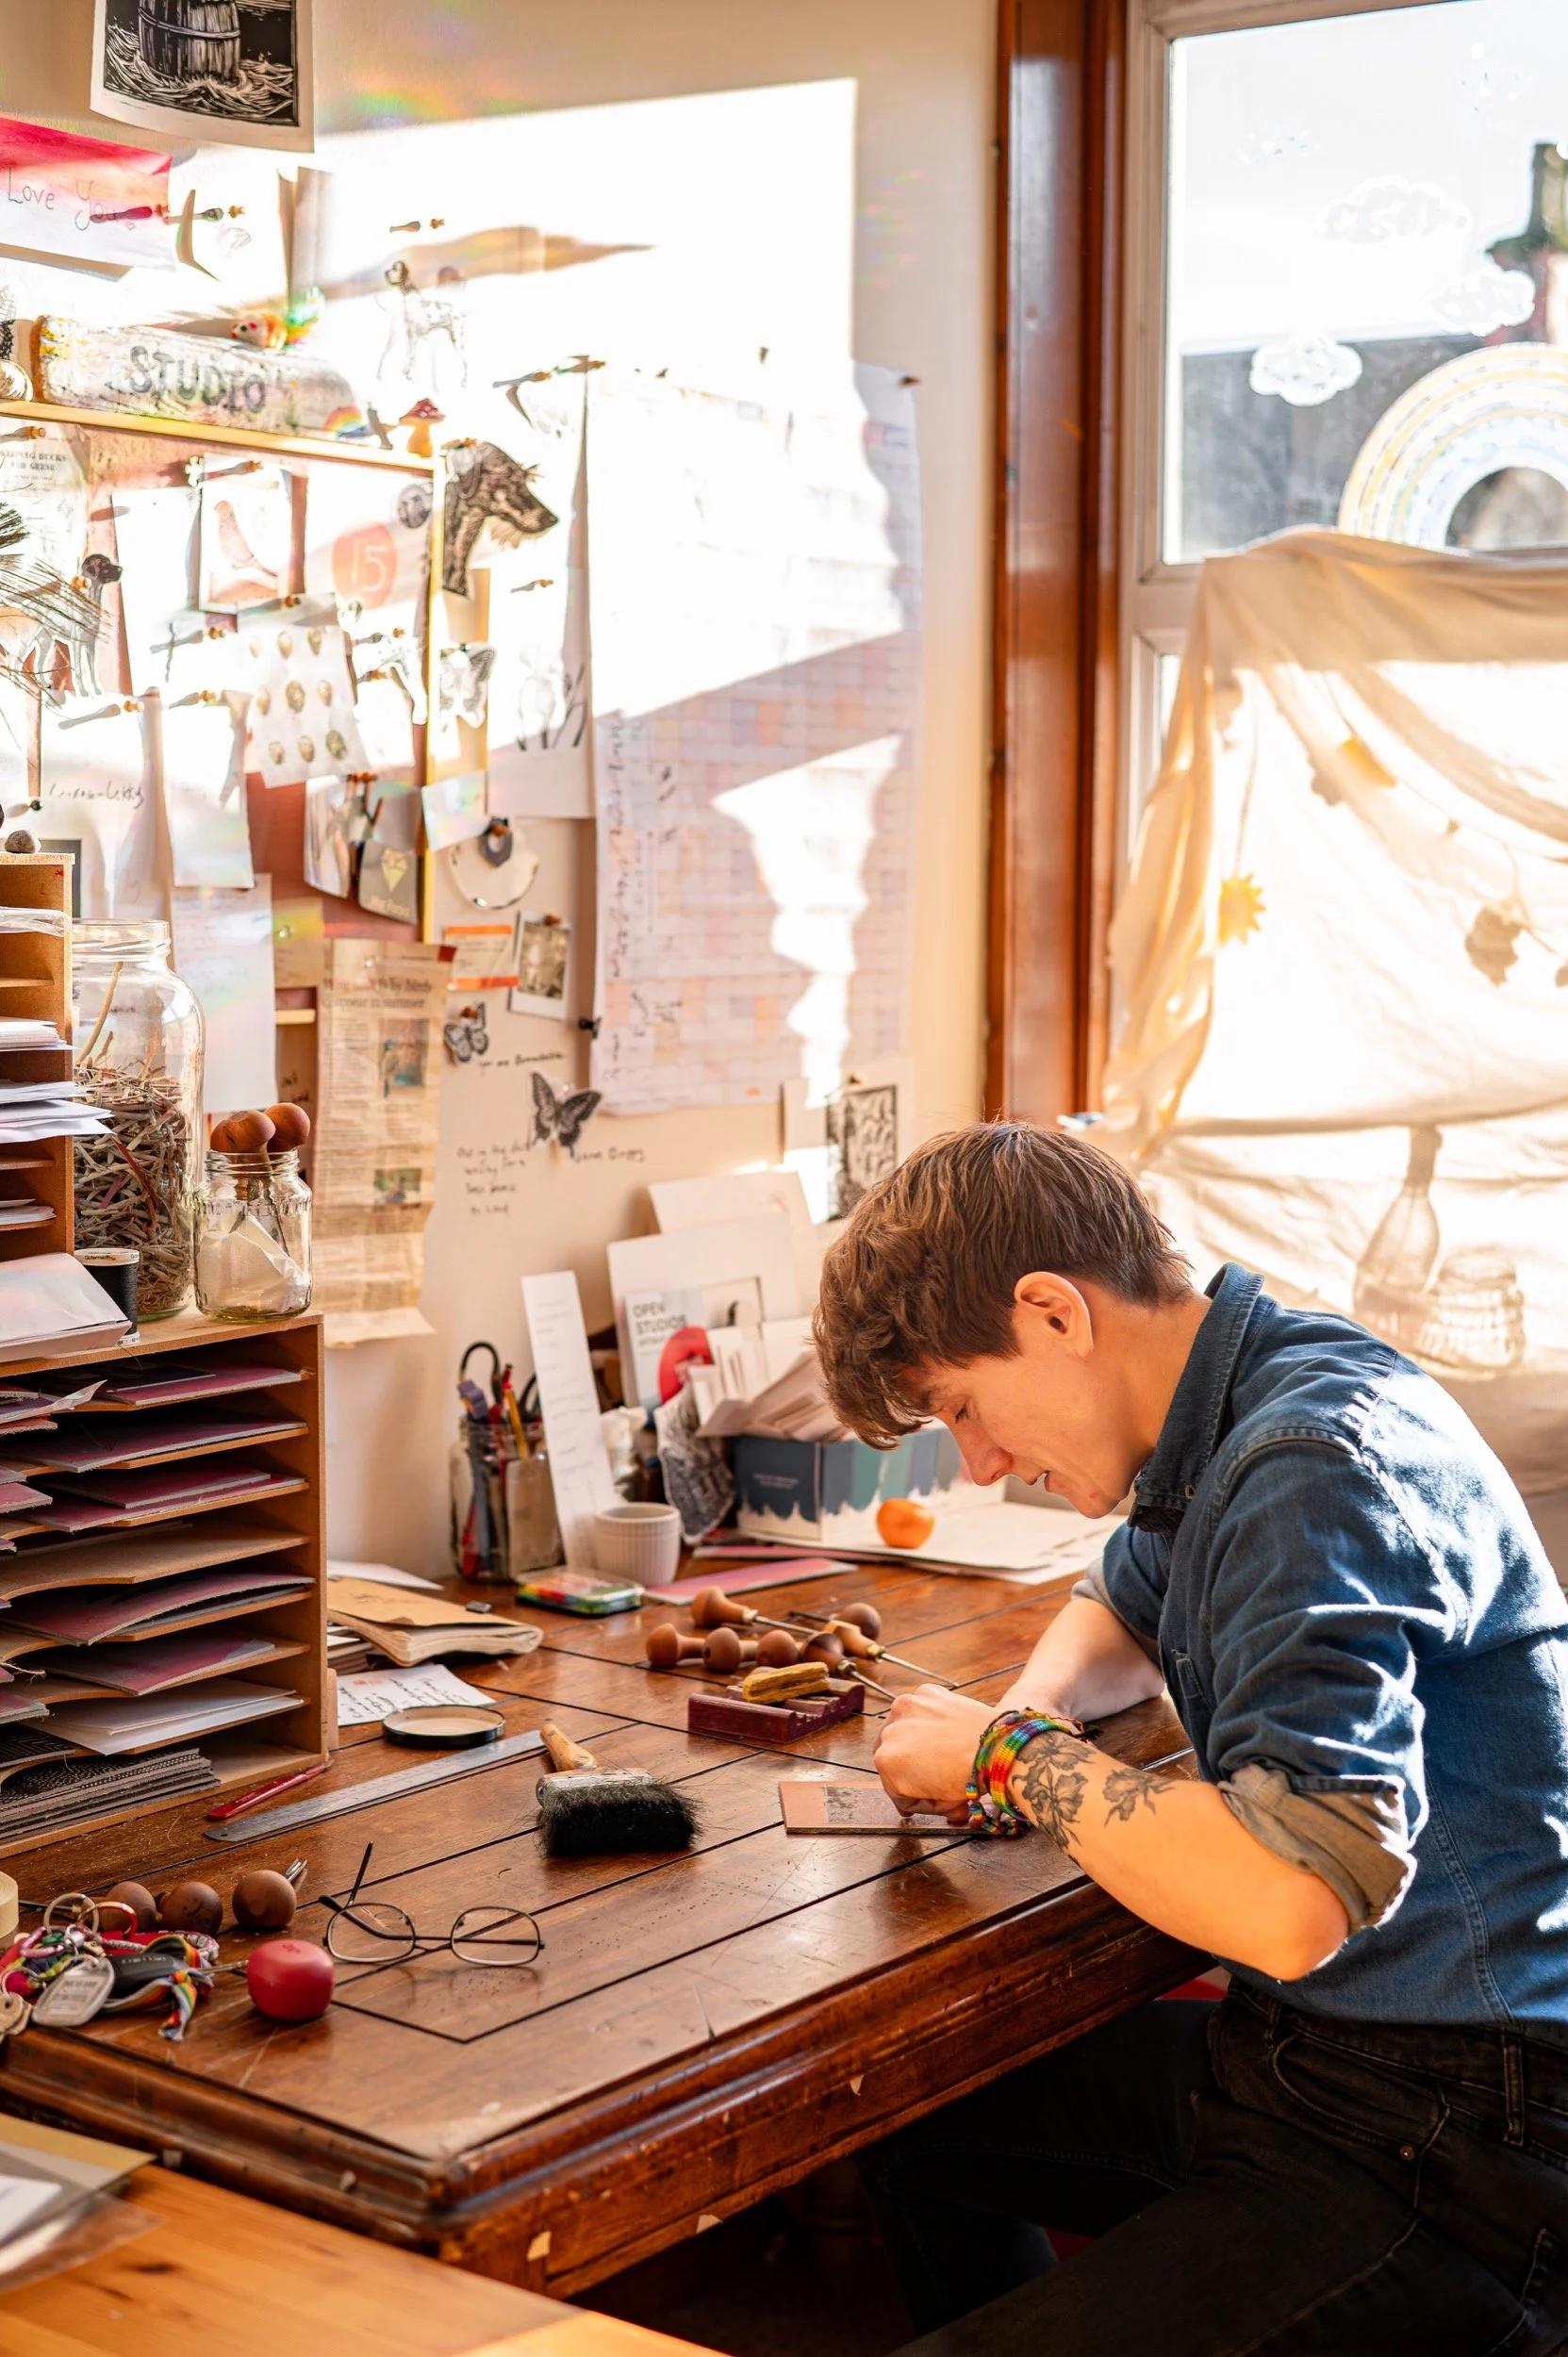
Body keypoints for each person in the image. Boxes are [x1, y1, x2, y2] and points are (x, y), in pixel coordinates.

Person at [812, 1123, 1568, 2357]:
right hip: (1316, 2068)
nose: (985, 1459)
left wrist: (1011, 1766)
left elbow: (1289, 1899)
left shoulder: (1305, 1465)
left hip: (1460, 2146)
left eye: (964, 1405)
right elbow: (1122, 1598)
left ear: (1053, 1313)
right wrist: (1029, 1709)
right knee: (907, 2114)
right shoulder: (1247, 1389)